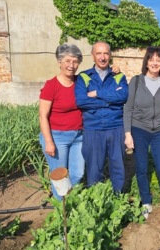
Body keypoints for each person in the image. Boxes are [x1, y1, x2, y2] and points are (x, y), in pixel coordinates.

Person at [124, 47, 160, 223]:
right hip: (139, 129)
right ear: (146, 62)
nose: (154, 63)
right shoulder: (136, 81)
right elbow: (128, 108)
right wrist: (128, 133)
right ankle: (146, 202)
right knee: (141, 167)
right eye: (151, 59)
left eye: (158, 60)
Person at [75, 41, 128, 194]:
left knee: (118, 167)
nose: (102, 57)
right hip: (93, 129)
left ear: (110, 56)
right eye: (98, 53)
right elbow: (82, 101)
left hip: (115, 127)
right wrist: (111, 102)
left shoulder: (118, 77)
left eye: (105, 53)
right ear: (92, 56)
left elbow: (123, 97)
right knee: (94, 168)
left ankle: (118, 199)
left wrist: (98, 94)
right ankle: (97, 202)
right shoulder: (84, 77)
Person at [39, 44, 85, 200]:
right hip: (57, 137)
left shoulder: (81, 82)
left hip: (79, 136)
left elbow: (98, 73)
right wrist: (48, 141)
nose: (71, 66)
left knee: (78, 173)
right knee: (60, 175)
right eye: (67, 61)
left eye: (75, 61)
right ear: (59, 62)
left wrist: (115, 69)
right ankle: (62, 211)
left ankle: (72, 204)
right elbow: (42, 116)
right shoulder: (51, 85)